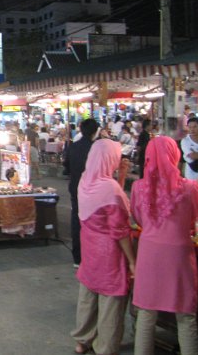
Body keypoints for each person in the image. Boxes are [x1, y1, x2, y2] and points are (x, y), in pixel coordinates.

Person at [131, 136, 198, 355]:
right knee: (185, 315)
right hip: (178, 256)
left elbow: (138, 218)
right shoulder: (188, 187)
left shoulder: (138, 187)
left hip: (149, 254)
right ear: (174, 155)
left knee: (146, 313)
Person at [70, 139, 135, 355]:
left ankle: (82, 340)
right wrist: (132, 261)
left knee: (88, 293)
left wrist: (121, 177)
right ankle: (105, 347)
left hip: (89, 247)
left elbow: (108, 202)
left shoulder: (85, 180)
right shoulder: (110, 188)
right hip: (109, 252)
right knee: (110, 300)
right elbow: (120, 230)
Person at [63, 118, 100, 267]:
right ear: (95, 132)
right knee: (93, 222)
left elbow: (66, 167)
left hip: (76, 188)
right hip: (93, 190)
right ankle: (91, 255)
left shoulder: (73, 147)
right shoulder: (96, 148)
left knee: (76, 221)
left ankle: (77, 258)